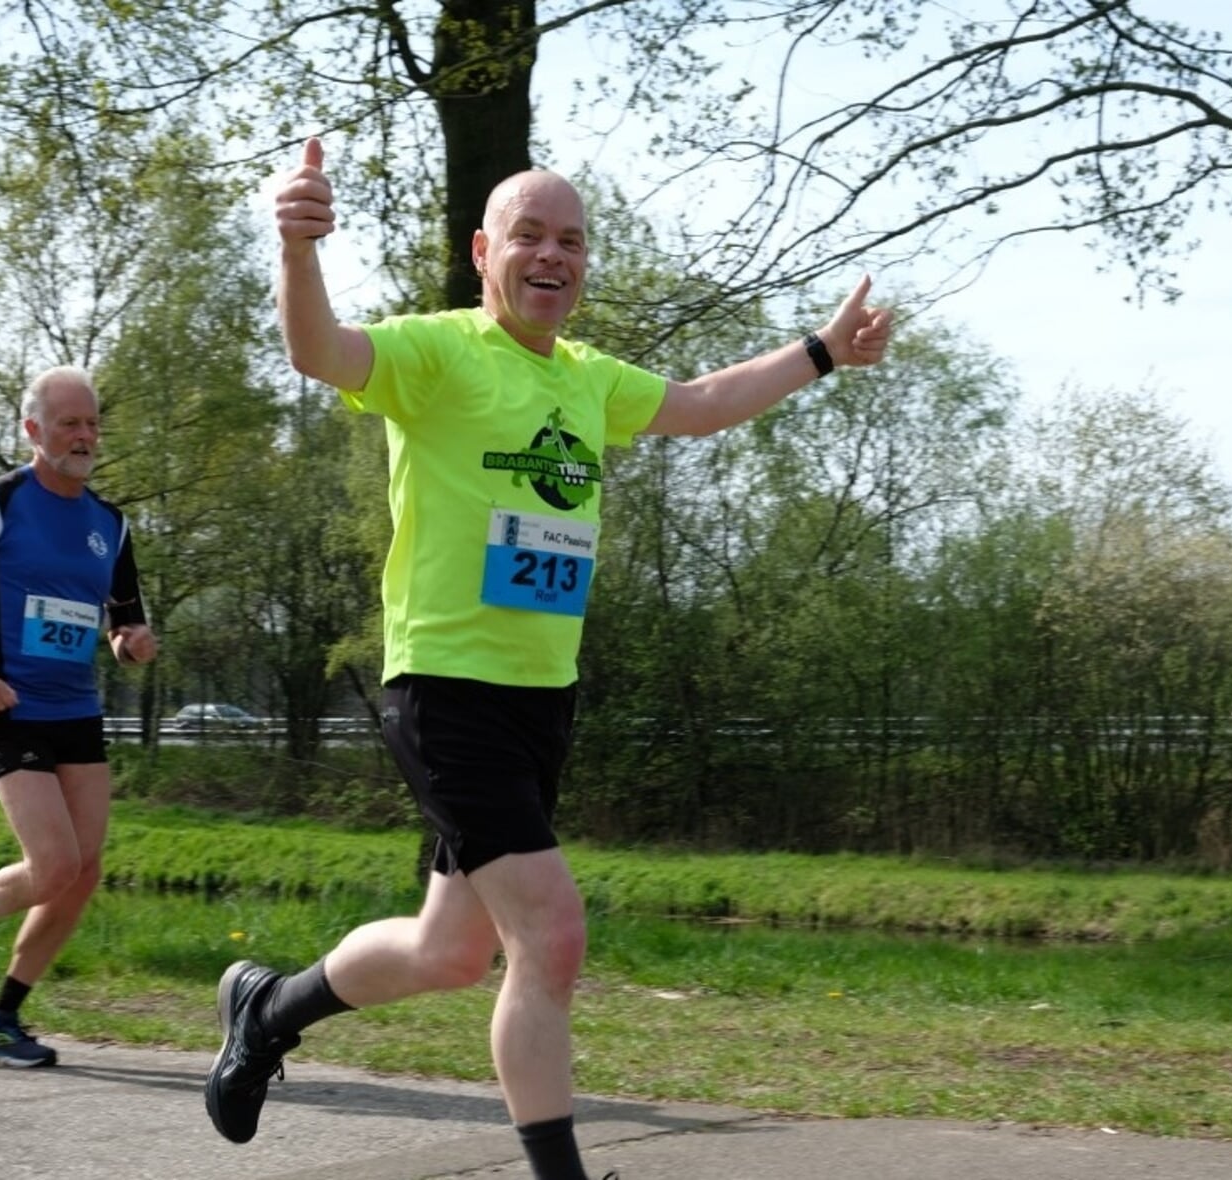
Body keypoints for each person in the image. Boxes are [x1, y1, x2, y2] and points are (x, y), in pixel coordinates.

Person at [203, 139, 892, 1179]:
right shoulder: (438, 354)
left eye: (572, 241)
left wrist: (824, 352)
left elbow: (702, 405)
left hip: (542, 699)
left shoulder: (586, 380)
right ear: (485, 251)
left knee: (451, 952)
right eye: (529, 235)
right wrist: (299, 249)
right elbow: (321, 354)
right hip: (447, 688)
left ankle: (268, 1007)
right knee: (552, 933)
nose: (552, 255)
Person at [0, 364, 158, 1067]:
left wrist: (132, 643)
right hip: (9, 704)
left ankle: (1, 1020)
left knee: (83, 871)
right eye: (69, 423)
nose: (84, 435)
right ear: (33, 431)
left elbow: (124, 624)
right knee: (53, 863)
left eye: (92, 423)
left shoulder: (111, 523)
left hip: (76, 710)